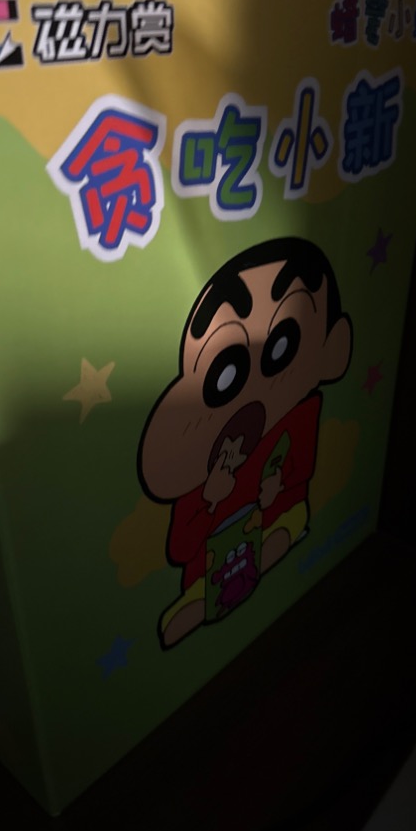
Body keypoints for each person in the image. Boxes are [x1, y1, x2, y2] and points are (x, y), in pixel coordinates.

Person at [138, 237, 353, 648]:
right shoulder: (200, 471)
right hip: (211, 565)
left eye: (282, 346)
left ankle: (265, 554)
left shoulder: (294, 420)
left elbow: (302, 469)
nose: (255, 389)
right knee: (188, 608)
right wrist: (210, 500)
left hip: (276, 525)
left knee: (284, 529)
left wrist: (276, 488)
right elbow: (181, 547)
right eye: (226, 373)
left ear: (332, 346)